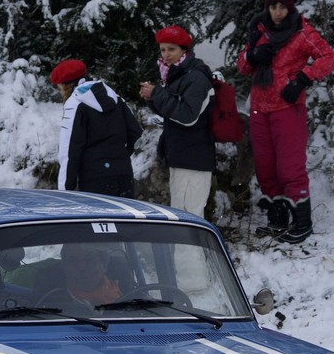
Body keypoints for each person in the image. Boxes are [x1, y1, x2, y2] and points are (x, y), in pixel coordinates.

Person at [236, 0, 334, 244]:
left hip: (287, 108)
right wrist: (253, 54)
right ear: (267, 7)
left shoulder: (301, 32)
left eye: (282, 7)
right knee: (266, 168)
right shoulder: (259, 31)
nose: (278, 12)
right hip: (260, 108)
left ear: (290, 7)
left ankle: (302, 222)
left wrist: (302, 79)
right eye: (273, 7)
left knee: (289, 168)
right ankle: (277, 220)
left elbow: (329, 58)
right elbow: (242, 66)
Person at [138, 25, 215, 218]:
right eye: (163, 49)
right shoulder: (177, 75)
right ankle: (185, 250)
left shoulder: (195, 77)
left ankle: (192, 250)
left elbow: (188, 117)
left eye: (171, 49)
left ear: (184, 51)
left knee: (190, 217)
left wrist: (158, 93)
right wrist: (153, 98)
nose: (166, 54)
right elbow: (172, 113)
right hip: (181, 155)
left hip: (193, 157)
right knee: (181, 215)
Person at [50, 59, 143, 199]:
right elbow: (135, 131)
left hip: (94, 179)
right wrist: (119, 156)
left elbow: (69, 150)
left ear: (65, 86)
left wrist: (65, 192)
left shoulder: (75, 103)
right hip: (124, 174)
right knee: (124, 220)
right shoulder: (114, 97)